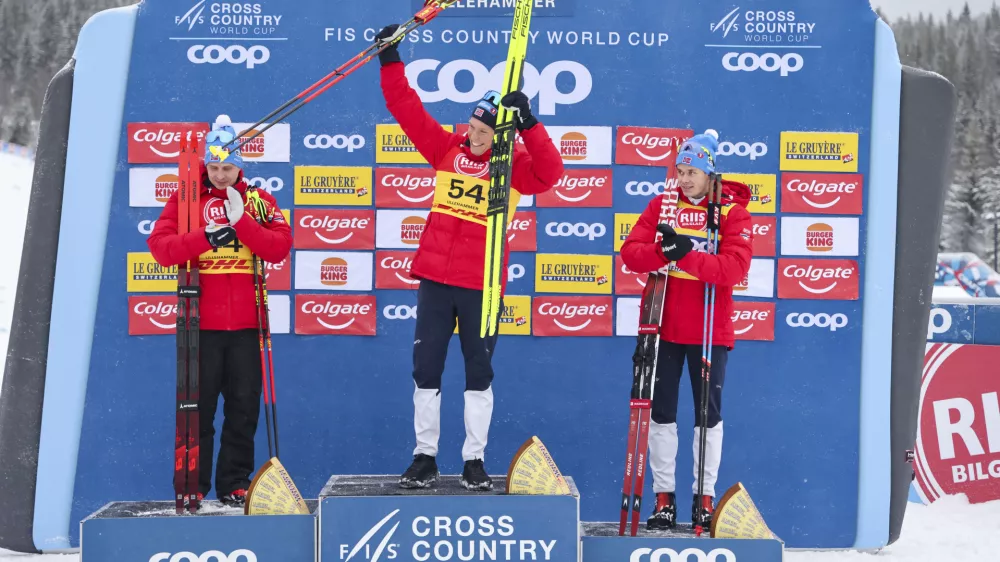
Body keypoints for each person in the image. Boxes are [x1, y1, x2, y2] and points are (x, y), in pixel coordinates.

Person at [374, 24, 565, 491]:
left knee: (479, 372)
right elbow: (406, 110)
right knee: (426, 369)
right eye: (472, 128)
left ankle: (474, 460)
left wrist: (531, 124)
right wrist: (390, 60)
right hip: (436, 280)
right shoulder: (446, 149)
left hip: (482, 284)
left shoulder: (514, 167)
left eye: (484, 133)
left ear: (501, 136)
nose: (474, 138)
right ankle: (424, 457)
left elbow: (552, 173)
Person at [147, 116, 292, 507]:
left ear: (240, 166)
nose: (221, 175)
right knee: (198, 412)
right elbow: (161, 248)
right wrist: (204, 237)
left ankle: (235, 484)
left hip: (247, 325)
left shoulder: (259, 201)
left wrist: (242, 222)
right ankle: (192, 485)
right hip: (200, 325)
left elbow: (279, 247)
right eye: (214, 167)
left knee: (243, 410)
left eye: (228, 167)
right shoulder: (187, 200)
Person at [620, 130, 753, 529]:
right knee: (661, 413)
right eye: (679, 171)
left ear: (710, 172)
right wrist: (663, 251)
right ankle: (664, 499)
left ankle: (704, 499)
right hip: (661, 327)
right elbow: (631, 254)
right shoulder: (662, 205)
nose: (684, 178)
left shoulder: (732, 212)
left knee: (707, 416)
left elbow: (733, 269)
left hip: (710, 329)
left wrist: (687, 255)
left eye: (692, 171)